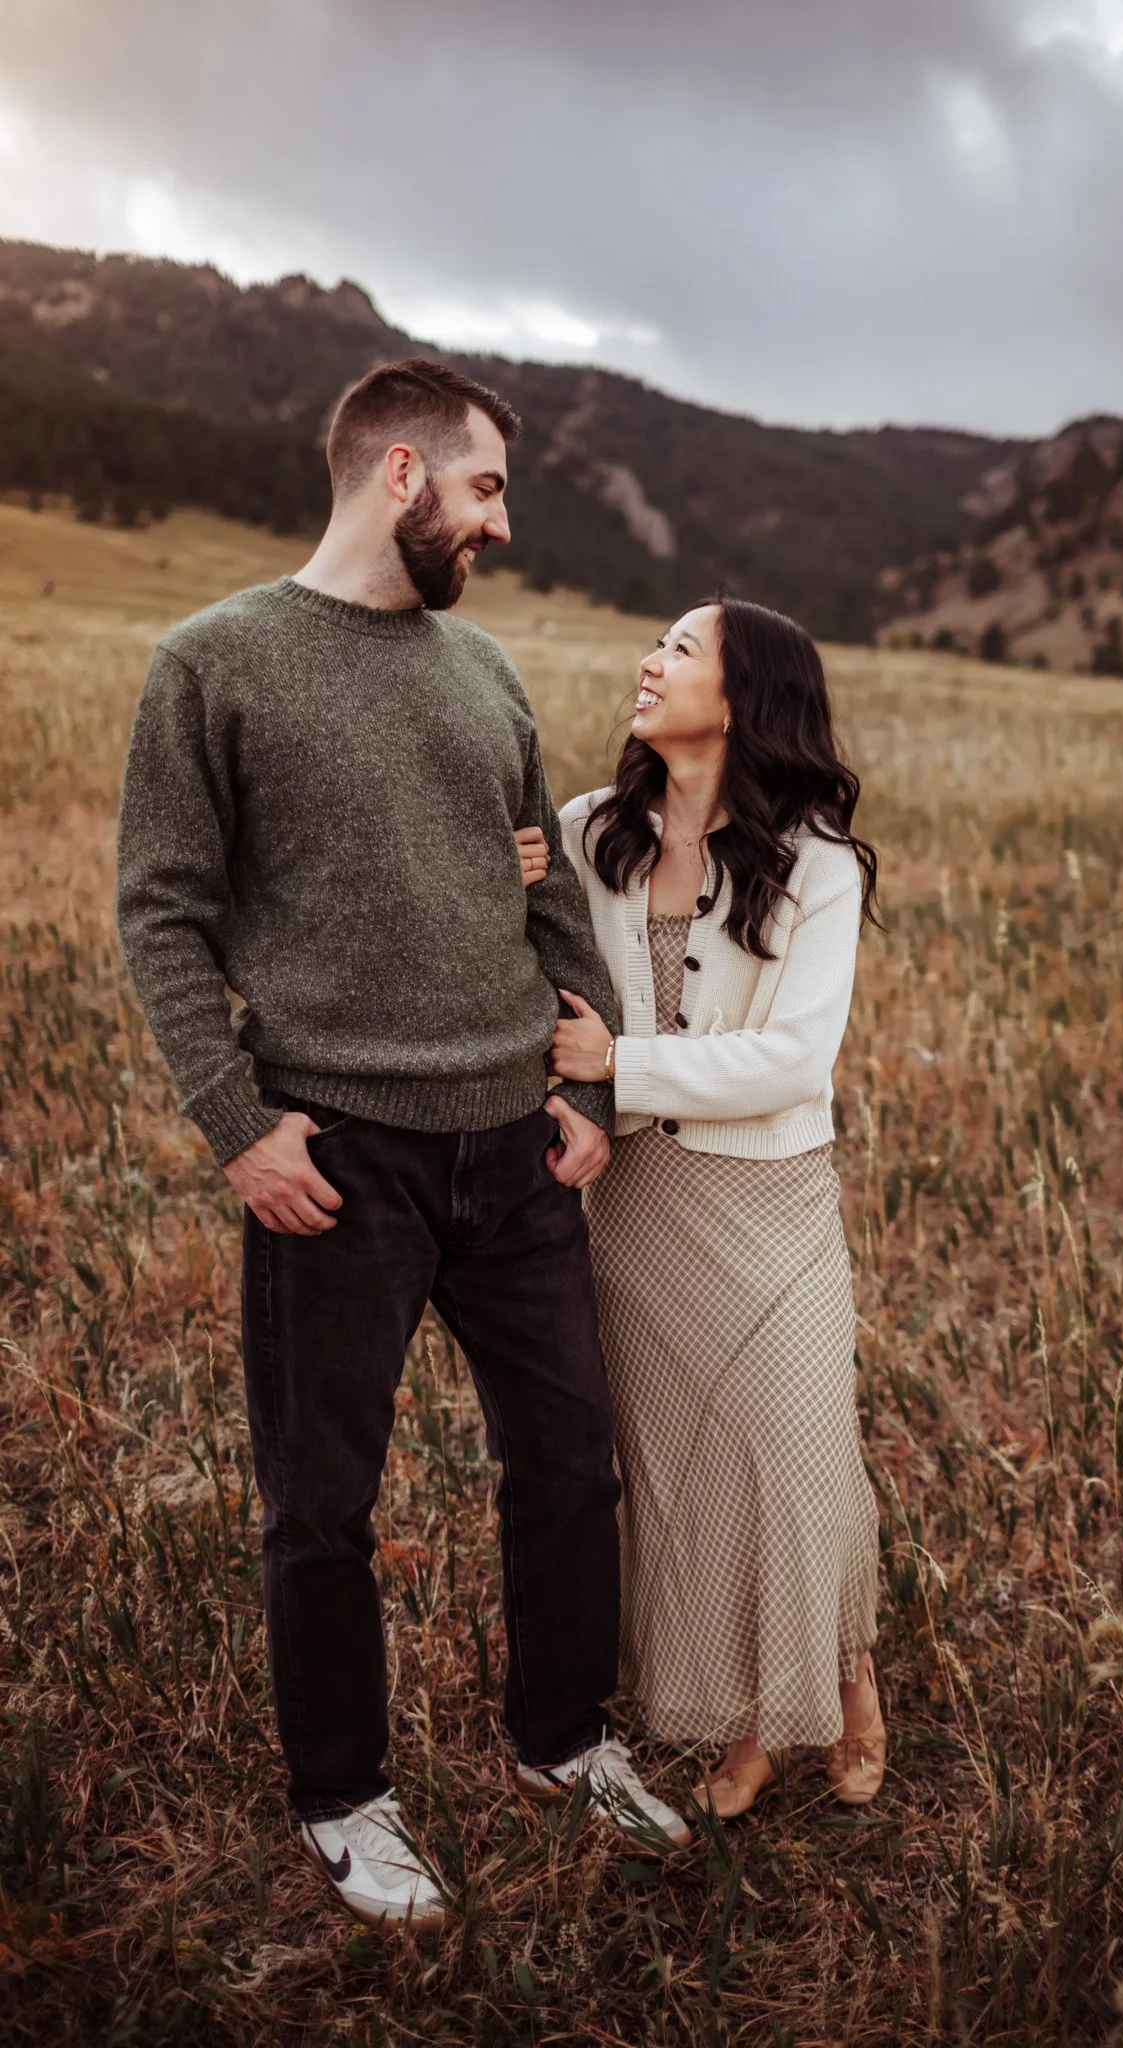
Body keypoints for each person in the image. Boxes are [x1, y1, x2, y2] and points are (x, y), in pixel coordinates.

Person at [115, 358, 689, 1932]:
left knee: (570, 1463)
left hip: (509, 1149)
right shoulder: (213, 665)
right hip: (338, 1165)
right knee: (323, 1506)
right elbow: (158, 912)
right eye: (488, 486)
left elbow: (549, 894)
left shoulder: (483, 670)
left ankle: (562, 1741)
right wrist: (236, 1127)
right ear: (399, 473)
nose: (501, 523)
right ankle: (344, 1799)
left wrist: (583, 1093)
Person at [525, 596, 886, 1819]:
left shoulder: (817, 861)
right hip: (640, 1205)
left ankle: (845, 1674)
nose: (650, 660)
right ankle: (750, 1720)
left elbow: (794, 1059)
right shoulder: (590, 830)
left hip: (769, 1196)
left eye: (681, 648)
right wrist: (509, 864)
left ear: (743, 697)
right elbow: (527, 937)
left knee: (792, 1453)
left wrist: (616, 1066)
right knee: (685, 1467)